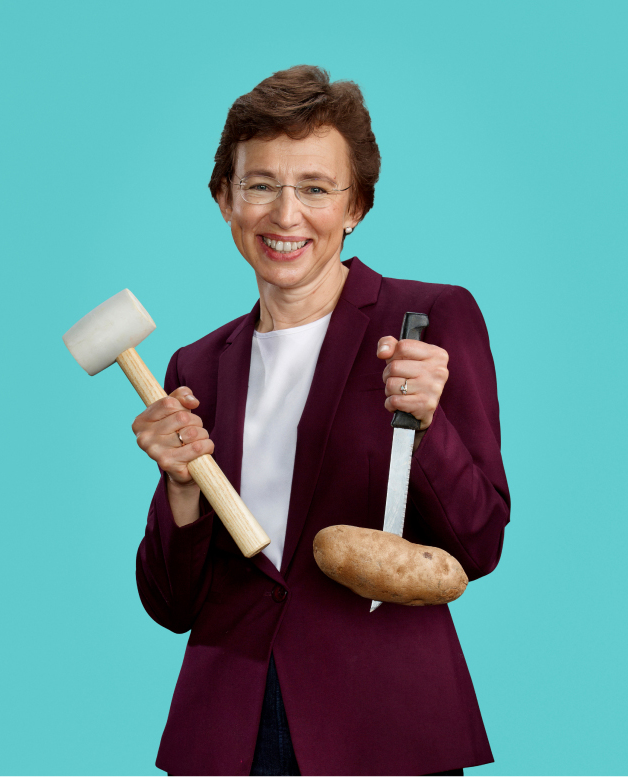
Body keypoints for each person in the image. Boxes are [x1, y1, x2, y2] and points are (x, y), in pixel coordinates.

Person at [133, 65, 510, 776]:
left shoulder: (427, 321)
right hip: (229, 726)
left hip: (386, 722)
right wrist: (181, 489)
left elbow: (481, 542)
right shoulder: (196, 366)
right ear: (225, 198)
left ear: (356, 205)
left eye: (314, 187)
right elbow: (171, 602)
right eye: (260, 184)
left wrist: (429, 429)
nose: (285, 215)